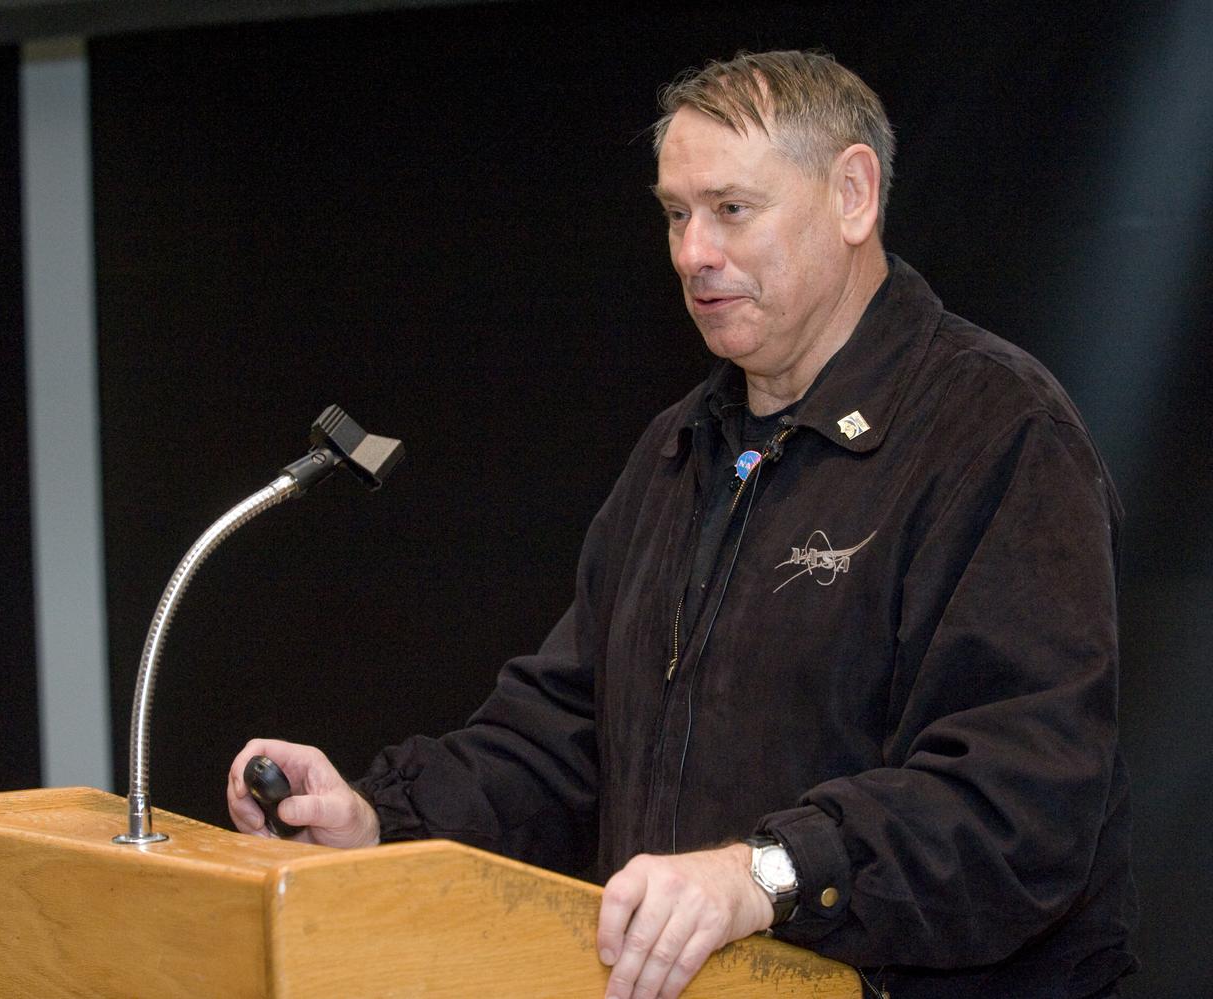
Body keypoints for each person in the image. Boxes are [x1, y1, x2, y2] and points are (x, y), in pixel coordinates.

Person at [229, 50, 1137, 999]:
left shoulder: (999, 434)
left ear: (853, 195)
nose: (693, 251)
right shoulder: (679, 450)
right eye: (675, 213)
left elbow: (1019, 801)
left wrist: (761, 874)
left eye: (732, 209)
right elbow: (565, 740)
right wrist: (377, 817)